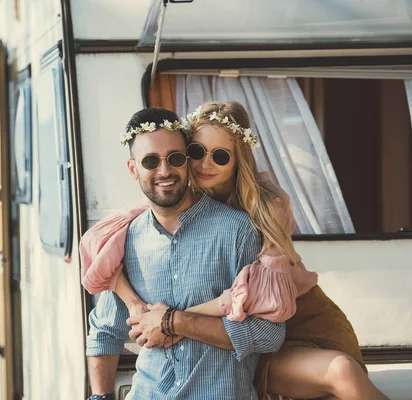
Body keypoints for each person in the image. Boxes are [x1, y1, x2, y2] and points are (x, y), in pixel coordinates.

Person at [81, 102, 388, 400]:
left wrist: (172, 321)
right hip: (168, 381)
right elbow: (105, 317)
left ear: (238, 160)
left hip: (294, 314)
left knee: (343, 373)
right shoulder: (139, 225)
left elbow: (259, 316)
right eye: (197, 152)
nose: (204, 164)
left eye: (220, 156)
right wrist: (133, 304)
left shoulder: (260, 215)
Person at [85, 107, 286, 399]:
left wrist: (176, 322)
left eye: (175, 159)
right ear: (133, 169)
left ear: (187, 162)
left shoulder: (238, 231)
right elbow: (104, 332)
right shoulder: (126, 239)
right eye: (151, 161)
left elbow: (269, 334)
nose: (164, 171)